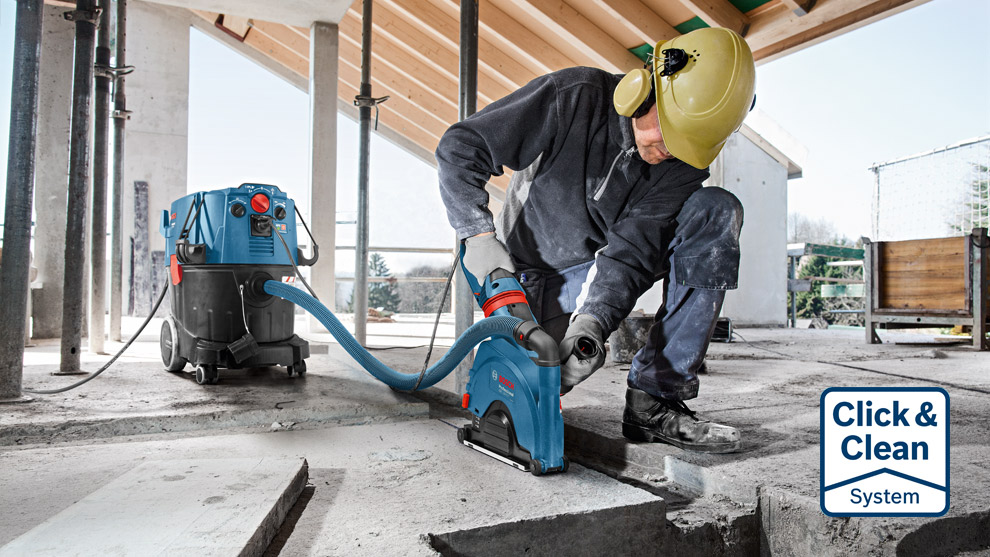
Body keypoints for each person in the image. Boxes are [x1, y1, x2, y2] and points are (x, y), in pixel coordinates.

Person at [436, 28, 756, 453]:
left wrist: (592, 326)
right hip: (528, 273)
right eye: (667, 132)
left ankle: (654, 400)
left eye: (684, 146)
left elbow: (631, 252)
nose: (668, 151)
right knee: (519, 394)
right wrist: (476, 234)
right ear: (643, 90)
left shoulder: (680, 166)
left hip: (600, 268)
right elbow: (461, 147)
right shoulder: (575, 96)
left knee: (715, 209)